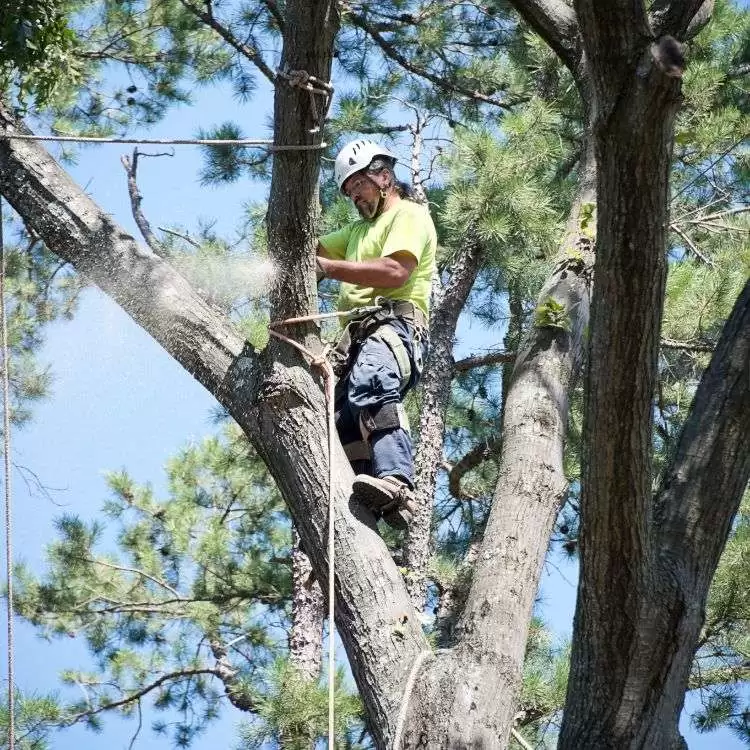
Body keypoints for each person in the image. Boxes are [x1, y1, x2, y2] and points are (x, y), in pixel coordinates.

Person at [316, 139, 437, 529]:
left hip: (393, 327)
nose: (355, 197)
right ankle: (364, 497)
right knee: (342, 421)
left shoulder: (409, 216)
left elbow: (395, 272)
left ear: (383, 176)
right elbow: (309, 251)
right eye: (349, 193)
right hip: (354, 344)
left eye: (359, 187)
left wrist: (331, 269)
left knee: (371, 383)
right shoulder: (353, 232)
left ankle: (397, 481)